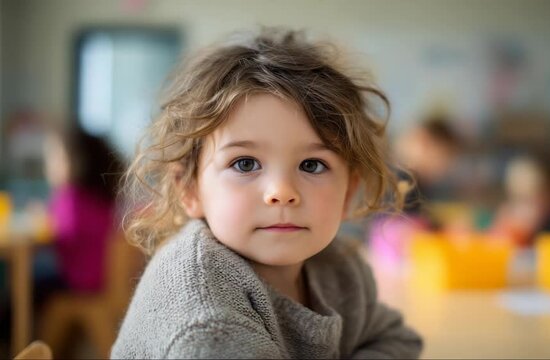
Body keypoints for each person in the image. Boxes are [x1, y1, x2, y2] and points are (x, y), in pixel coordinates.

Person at [112, 29, 423, 359]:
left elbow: (396, 340)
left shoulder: (338, 268)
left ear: (348, 193)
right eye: (245, 164)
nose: (282, 192)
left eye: (312, 165)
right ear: (189, 189)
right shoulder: (205, 323)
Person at [38, 126, 124, 295]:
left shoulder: (70, 197)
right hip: (103, 280)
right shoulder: (100, 197)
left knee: (28, 286)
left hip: (81, 282)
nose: (49, 166)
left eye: (55, 158)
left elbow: (62, 234)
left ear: (77, 161)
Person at [490, 153, 550, 246]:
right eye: (522, 199)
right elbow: (496, 242)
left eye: (534, 199)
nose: (527, 207)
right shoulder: (508, 214)